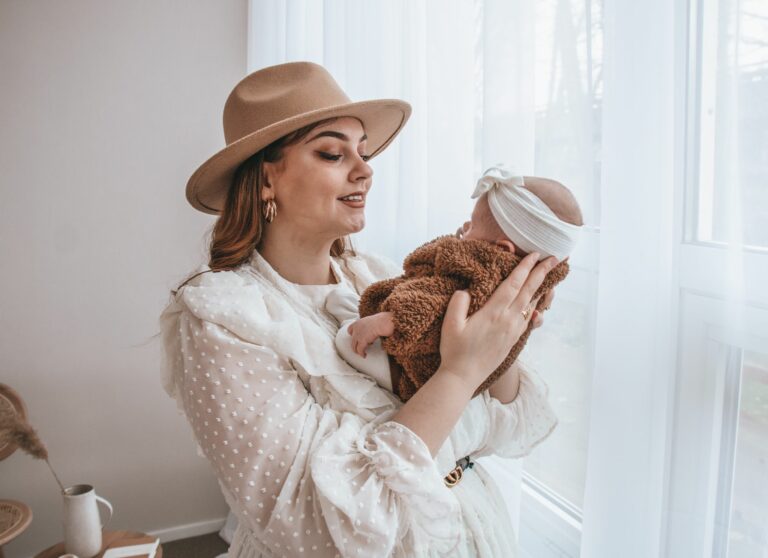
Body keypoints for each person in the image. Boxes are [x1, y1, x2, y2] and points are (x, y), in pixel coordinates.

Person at [159, 61, 561, 558]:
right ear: (266, 180)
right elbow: (318, 527)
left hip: (473, 530)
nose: (364, 169)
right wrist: (460, 373)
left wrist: (502, 337)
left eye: (364, 152)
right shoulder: (223, 318)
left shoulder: (376, 275)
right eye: (332, 153)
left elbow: (504, 425)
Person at [327, 164, 582, 402]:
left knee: (344, 341)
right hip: (456, 369)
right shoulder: (520, 278)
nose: (464, 228)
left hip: (419, 373)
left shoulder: (488, 274)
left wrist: (392, 320)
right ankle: (356, 318)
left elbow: (443, 301)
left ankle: (358, 329)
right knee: (357, 309)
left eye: (472, 225)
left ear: (501, 248)